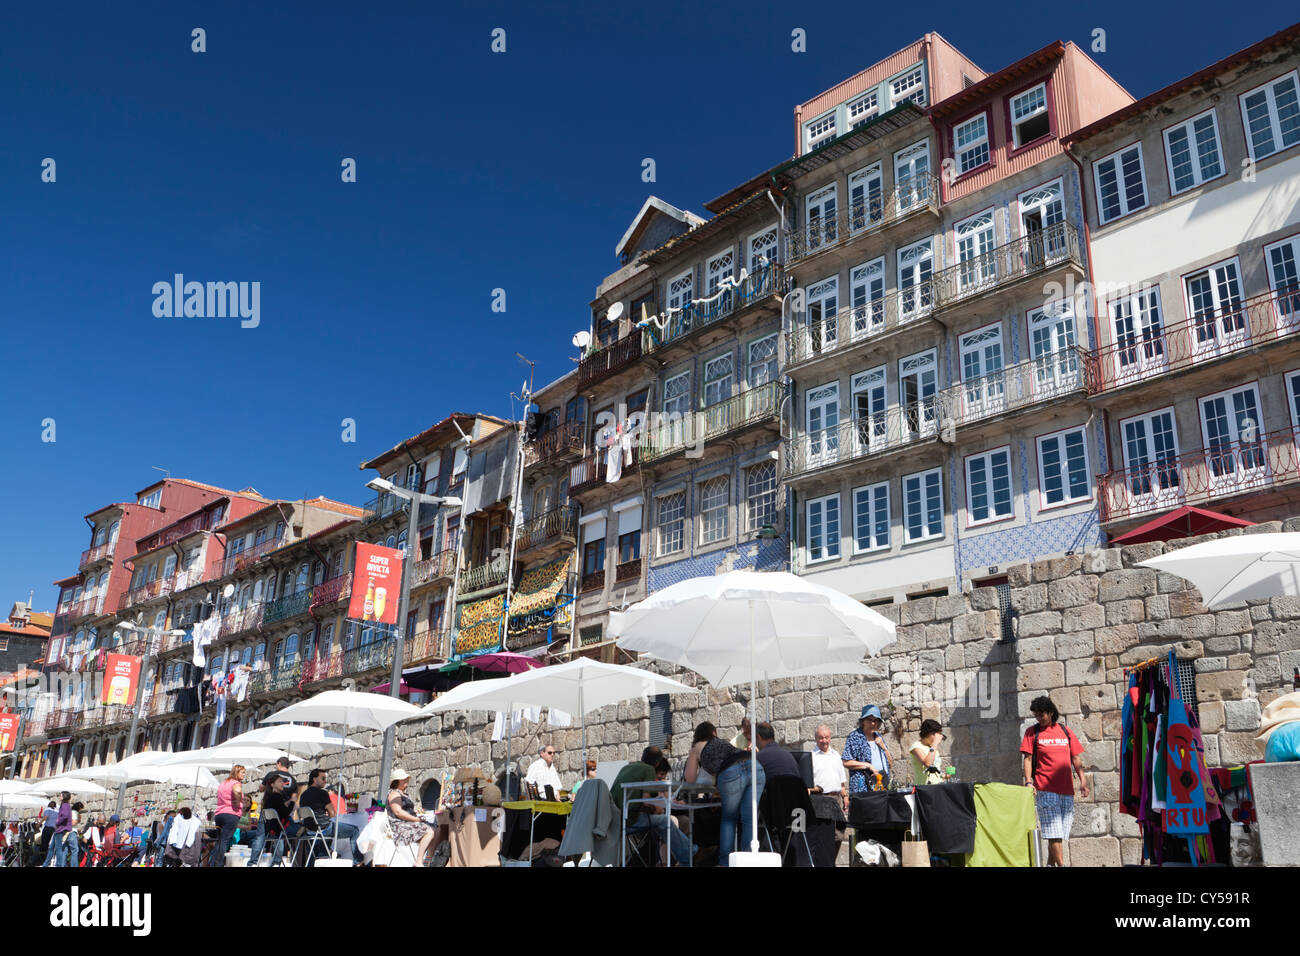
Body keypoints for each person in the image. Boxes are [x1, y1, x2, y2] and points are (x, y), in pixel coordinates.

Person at [1021, 695, 1088, 867]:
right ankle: (1062, 865)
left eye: (1041, 715)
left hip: (1066, 790)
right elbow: (1028, 759)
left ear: (1050, 713)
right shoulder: (1032, 732)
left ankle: (1051, 865)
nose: (1039, 718)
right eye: (1036, 715)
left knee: (1059, 835)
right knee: (1053, 833)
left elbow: (1076, 757)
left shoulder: (1065, 731)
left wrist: (1083, 780)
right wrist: (1029, 782)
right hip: (1045, 788)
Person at [686, 721, 763, 866]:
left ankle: (725, 863)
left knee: (729, 818)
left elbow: (690, 780)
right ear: (714, 733)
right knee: (748, 819)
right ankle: (747, 861)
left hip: (732, 771)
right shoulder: (724, 743)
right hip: (755, 766)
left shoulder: (696, 747)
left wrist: (693, 756)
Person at [612, 746, 692, 866]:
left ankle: (683, 856)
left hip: (616, 820)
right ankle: (688, 853)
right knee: (666, 821)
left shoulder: (626, 768)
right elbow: (646, 803)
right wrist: (657, 808)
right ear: (658, 762)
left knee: (671, 821)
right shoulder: (649, 770)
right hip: (632, 820)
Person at [299, 767, 364, 865]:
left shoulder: (303, 795)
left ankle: (323, 856)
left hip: (311, 829)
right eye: (323, 778)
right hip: (324, 828)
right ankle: (358, 862)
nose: (325, 781)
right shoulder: (322, 793)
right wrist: (324, 816)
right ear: (314, 779)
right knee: (354, 831)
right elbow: (332, 813)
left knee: (323, 840)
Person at [387, 769, 436, 867]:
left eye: (406, 778)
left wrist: (417, 816)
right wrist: (416, 819)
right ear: (397, 781)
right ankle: (419, 861)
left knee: (437, 829)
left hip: (408, 824)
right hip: (399, 827)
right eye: (403, 779)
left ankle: (429, 860)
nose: (406, 780)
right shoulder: (394, 794)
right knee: (430, 831)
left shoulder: (402, 794)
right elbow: (398, 812)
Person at [842, 705, 892, 793]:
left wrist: (884, 747)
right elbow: (846, 762)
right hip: (863, 790)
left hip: (881, 787)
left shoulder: (879, 737)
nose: (873, 723)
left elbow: (890, 764)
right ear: (863, 721)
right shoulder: (855, 737)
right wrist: (868, 765)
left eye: (876, 720)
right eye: (870, 720)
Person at [259, 773, 299, 865]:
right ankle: (279, 862)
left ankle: (277, 862)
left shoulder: (269, 798)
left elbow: (280, 811)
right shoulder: (277, 797)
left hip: (273, 830)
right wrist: (292, 801)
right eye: (280, 781)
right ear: (273, 785)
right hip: (280, 829)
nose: (283, 783)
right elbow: (285, 814)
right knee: (303, 829)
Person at [213, 764, 245, 867]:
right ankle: (219, 864)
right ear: (236, 772)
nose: (244, 775)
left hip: (219, 814)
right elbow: (237, 791)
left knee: (220, 840)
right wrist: (238, 799)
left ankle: (215, 863)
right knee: (225, 840)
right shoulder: (236, 783)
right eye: (242, 772)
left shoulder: (223, 783)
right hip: (231, 814)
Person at [811, 724, 849, 812]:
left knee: (836, 826)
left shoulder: (836, 755)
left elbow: (841, 782)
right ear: (816, 739)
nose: (824, 740)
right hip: (819, 800)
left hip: (836, 800)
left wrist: (845, 797)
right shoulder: (811, 757)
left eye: (826, 737)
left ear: (830, 738)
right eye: (821, 738)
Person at [909, 719, 946, 785]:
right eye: (938, 734)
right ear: (931, 734)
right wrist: (935, 743)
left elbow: (935, 770)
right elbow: (928, 763)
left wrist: (945, 776)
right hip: (924, 787)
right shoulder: (916, 746)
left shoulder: (931, 747)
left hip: (938, 785)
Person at [46, 792, 72, 867]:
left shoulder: (65, 805)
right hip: (58, 829)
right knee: (52, 847)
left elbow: (64, 816)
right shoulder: (64, 805)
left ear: (64, 797)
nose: (59, 796)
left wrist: (57, 822)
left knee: (58, 848)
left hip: (61, 829)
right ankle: (47, 863)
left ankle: (58, 864)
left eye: (60, 795)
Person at [66, 802, 83, 869]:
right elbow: (74, 822)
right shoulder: (75, 813)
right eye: (81, 809)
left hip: (66, 832)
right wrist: (78, 819)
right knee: (75, 850)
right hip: (72, 832)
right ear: (79, 808)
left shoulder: (69, 812)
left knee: (66, 849)